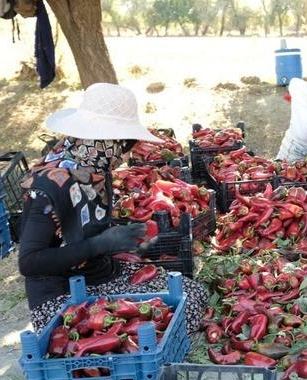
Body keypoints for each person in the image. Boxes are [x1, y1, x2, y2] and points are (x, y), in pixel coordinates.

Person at [18, 83, 208, 334]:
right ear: (102, 140)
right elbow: (29, 263)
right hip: (63, 297)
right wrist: (99, 244)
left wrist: (119, 240)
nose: (126, 154)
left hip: (100, 275)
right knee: (165, 319)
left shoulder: (94, 171)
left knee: (193, 294)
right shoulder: (49, 186)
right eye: (125, 144)